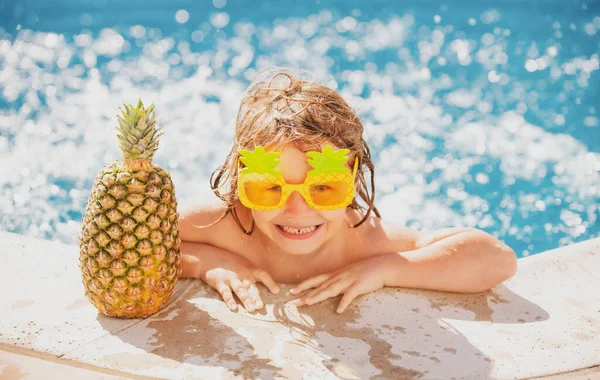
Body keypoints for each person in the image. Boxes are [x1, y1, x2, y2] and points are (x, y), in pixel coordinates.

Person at [178, 69, 517, 314]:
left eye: (323, 188)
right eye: (270, 189)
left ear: (352, 181)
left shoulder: (362, 242)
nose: (297, 210)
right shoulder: (221, 224)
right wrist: (206, 262)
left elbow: (496, 259)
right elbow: (126, 238)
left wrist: (386, 269)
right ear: (241, 182)